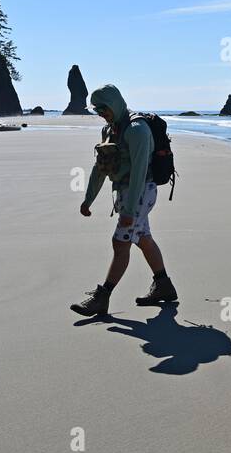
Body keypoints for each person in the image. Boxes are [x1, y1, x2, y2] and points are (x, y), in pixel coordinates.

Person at [70, 84, 177, 316]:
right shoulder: (110, 130)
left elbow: (139, 172)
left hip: (140, 192)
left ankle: (102, 298)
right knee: (143, 239)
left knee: (120, 243)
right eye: (97, 110)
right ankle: (164, 286)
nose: (101, 113)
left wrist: (129, 210)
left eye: (103, 108)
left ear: (115, 103)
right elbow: (101, 168)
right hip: (125, 192)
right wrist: (88, 200)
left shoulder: (137, 130)